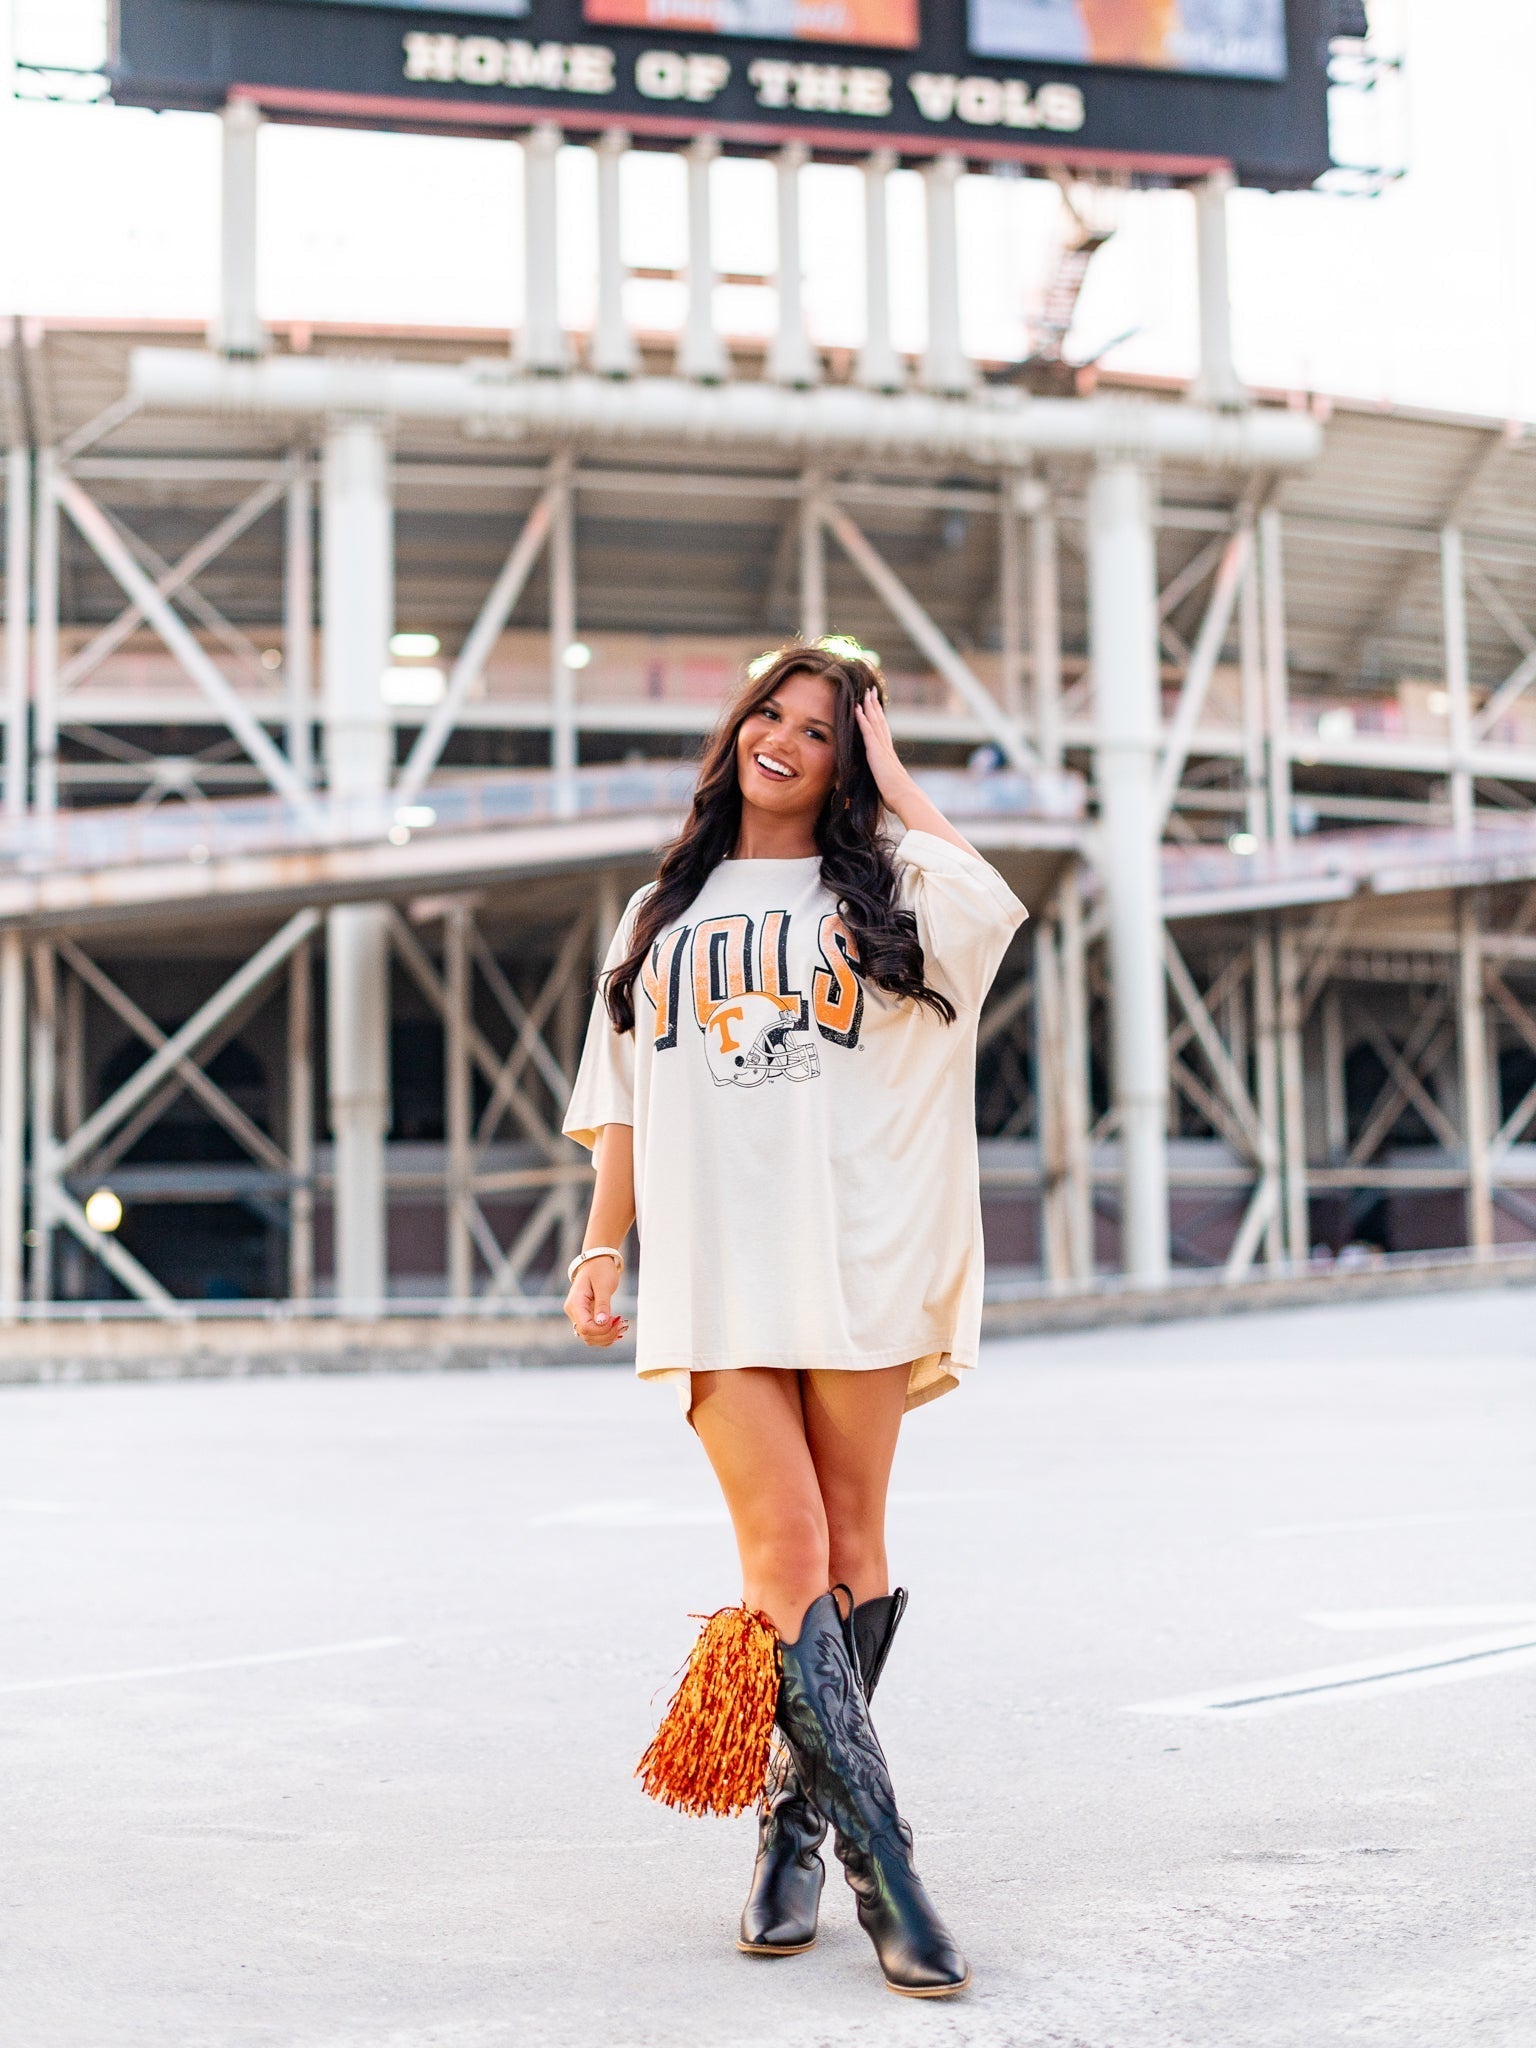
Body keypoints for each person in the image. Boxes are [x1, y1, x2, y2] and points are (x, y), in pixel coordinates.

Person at [561, 640, 1026, 1999]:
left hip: (854, 1256)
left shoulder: (878, 893)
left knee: (857, 1547)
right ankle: (894, 1877)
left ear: (845, 761)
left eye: (821, 730)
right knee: (788, 1548)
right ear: (736, 731)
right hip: (716, 1264)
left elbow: (985, 900)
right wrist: (602, 1243)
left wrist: (892, 771)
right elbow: (628, 1098)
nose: (785, 739)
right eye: (770, 713)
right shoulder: (661, 910)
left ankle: (793, 1827)